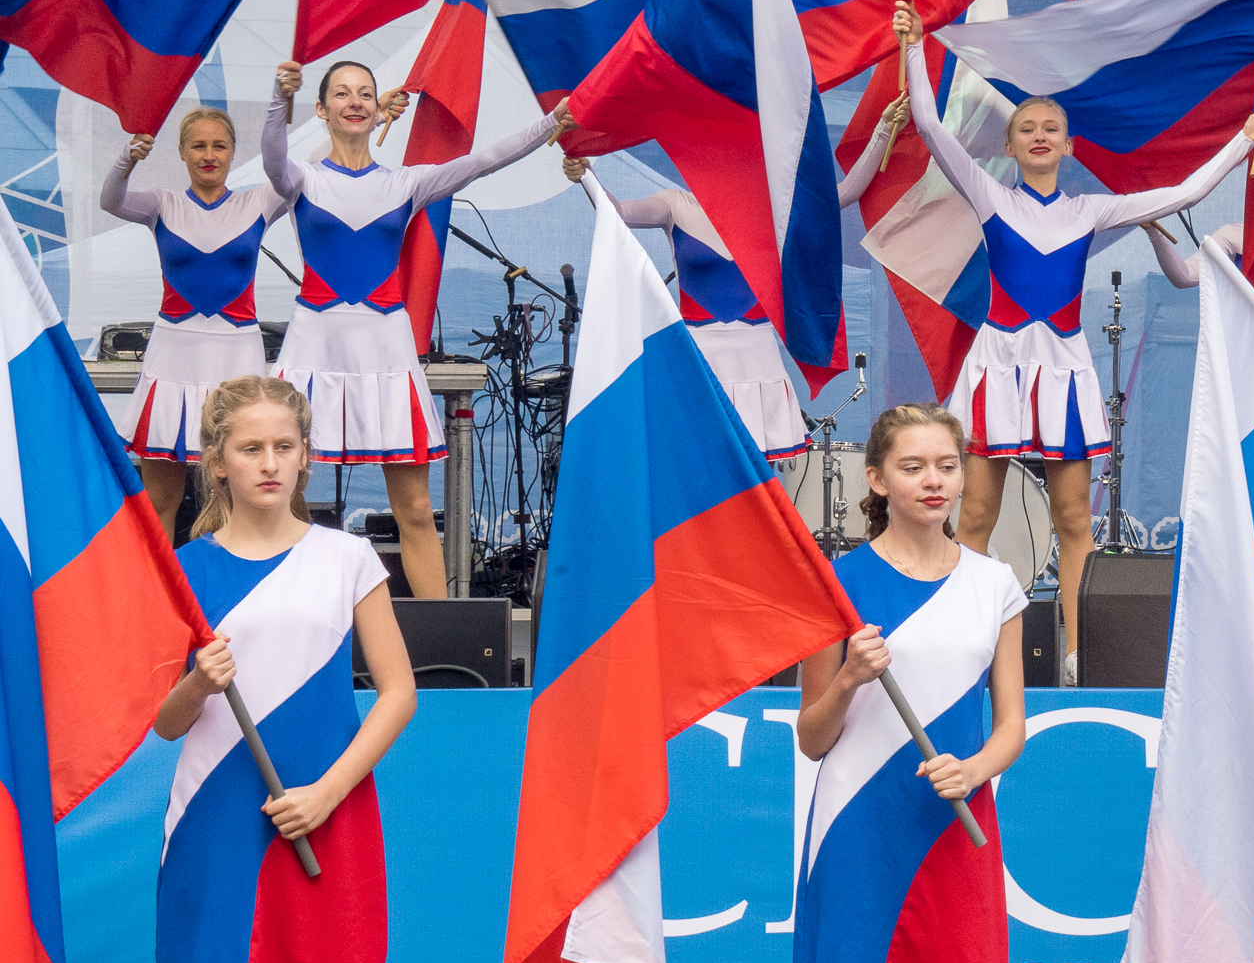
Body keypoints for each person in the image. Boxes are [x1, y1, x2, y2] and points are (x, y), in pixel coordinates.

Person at [893, 0, 1254, 682]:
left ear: (1069, 147)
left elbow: (1183, 190)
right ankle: (966, 648)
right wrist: (914, 49)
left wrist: (1245, 138)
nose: (1039, 135)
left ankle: (1076, 652)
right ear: (1008, 147)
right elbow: (927, 122)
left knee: (1074, 516)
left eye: (1052, 128)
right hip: (999, 367)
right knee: (974, 511)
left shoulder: (1091, 209)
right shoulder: (989, 195)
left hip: (1062, 367)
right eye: (1026, 128)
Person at [148, 376, 416, 963]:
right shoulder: (184, 568)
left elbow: (397, 692)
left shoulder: (348, 558)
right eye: (249, 448)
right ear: (218, 460)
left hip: (318, 815)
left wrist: (328, 792)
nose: (269, 463)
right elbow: (165, 723)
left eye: (283, 447)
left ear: (306, 455)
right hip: (213, 824)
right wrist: (198, 680)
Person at [793, 402, 1027, 963]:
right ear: (878, 481)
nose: (936, 479)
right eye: (915, 465)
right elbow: (814, 737)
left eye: (948, 463)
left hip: (950, 825)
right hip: (858, 825)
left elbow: (1013, 726)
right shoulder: (835, 588)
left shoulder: (996, 583)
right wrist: (849, 677)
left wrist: (976, 768)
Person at [264, 59, 567, 595]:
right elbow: (273, 160)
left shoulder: (407, 183)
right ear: (322, 109)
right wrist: (276, 100)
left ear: (377, 105)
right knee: (286, 501)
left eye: (364, 93)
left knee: (417, 510)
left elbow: (485, 160)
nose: (354, 102)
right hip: (315, 349)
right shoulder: (302, 176)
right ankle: (294, 621)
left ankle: (440, 642)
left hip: (385, 350)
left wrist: (550, 123)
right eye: (341, 94)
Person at [559, 100, 904, 461]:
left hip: (757, 356)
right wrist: (586, 174)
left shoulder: (773, 209)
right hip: (699, 354)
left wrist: (882, 129)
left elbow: (845, 192)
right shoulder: (675, 204)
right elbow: (621, 214)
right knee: (696, 468)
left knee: (759, 475)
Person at [98, 109, 288, 538]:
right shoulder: (162, 203)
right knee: (160, 501)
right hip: (172, 360)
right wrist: (127, 158)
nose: (209, 155)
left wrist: (284, 104)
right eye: (198, 146)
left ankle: (229, 594)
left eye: (219, 145)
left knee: (236, 494)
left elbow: (303, 174)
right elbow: (110, 200)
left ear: (234, 152)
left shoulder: (258, 200)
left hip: (237, 359)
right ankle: (157, 598)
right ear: (182, 152)